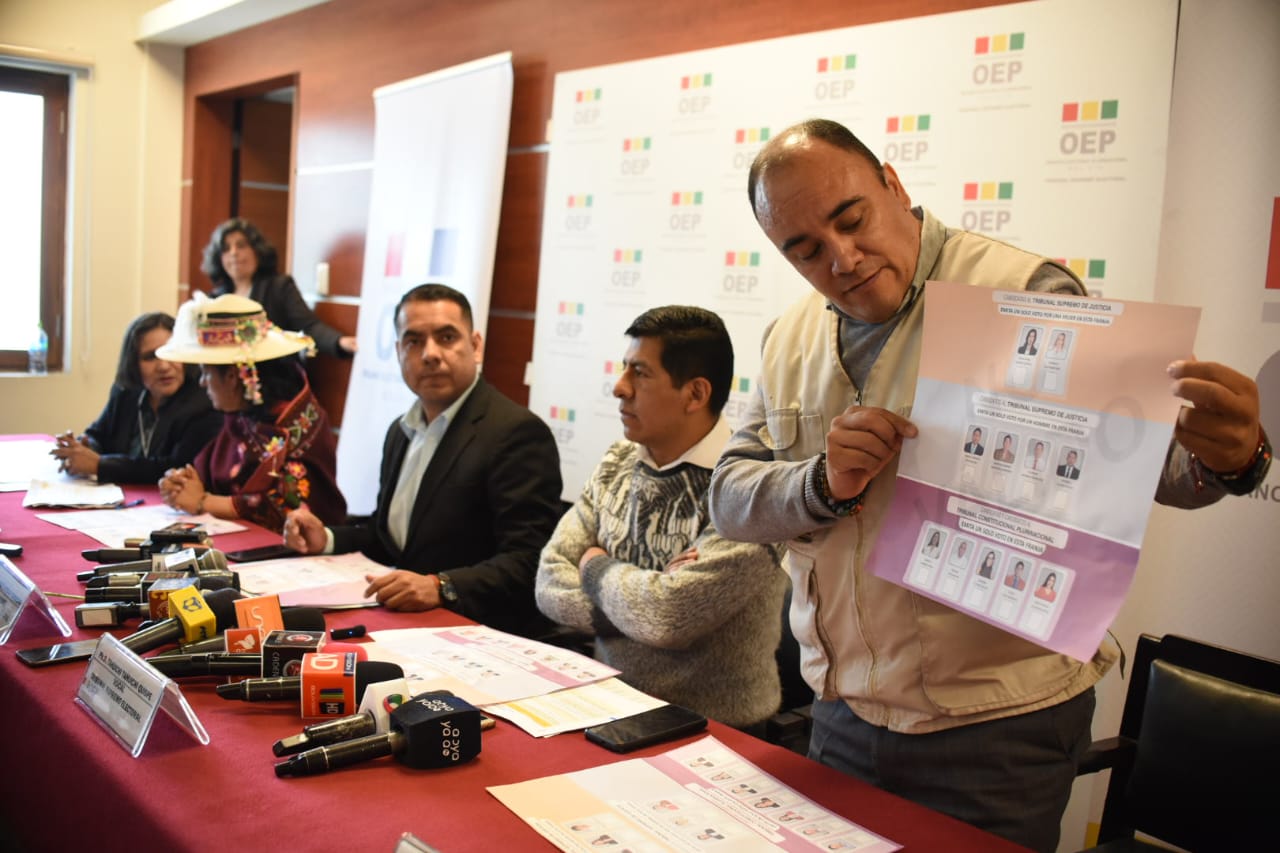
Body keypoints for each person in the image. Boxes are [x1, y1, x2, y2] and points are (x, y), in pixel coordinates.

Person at [708, 118, 1270, 852]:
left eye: (851, 219)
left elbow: (1150, 471)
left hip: (996, 727)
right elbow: (730, 496)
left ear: (893, 185)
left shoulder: (1020, 291)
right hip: (842, 710)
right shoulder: (789, 336)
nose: (841, 258)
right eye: (805, 249)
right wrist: (820, 481)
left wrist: (1234, 458)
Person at [535, 306, 784, 728]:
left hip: (715, 730)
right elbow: (549, 583)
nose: (619, 388)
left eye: (640, 373)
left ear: (695, 394)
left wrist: (595, 565)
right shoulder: (618, 460)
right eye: (624, 369)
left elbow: (668, 617)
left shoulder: (748, 491)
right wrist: (642, 605)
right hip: (607, 705)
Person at [284, 283, 563, 638]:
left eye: (446, 337)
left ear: (475, 346)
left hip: (478, 632)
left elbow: (530, 561)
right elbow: (388, 537)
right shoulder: (400, 431)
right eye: (414, 341)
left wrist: (441, 586)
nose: (430, 354)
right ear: (398, 352)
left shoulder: (516, 433)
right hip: (405, 623)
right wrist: (325, 539)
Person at [156, 294, 346, 534]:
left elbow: (286, 509)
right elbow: (213, 471)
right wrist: (182, 484)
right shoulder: (243, 414)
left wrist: (203, 502)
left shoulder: (297, 423)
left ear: (232, 377)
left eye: (206, 373)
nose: (202, 383)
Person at [50, 312, 221, 483]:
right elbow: (98, 434)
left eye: (171, 353)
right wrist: (83, 448)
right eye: (150, 357)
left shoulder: (203, 401)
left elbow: (176, 467)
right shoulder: (126, 391)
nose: (163, 366)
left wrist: (100, 465)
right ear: (133, 363)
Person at [203, 218, 356, 357]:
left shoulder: (280, 287)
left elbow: (309, 326)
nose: (233, 253)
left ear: (257, 250)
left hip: (273, 375)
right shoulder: (214, 300)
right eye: (226, 248)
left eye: (241, 245)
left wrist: (339, 341)